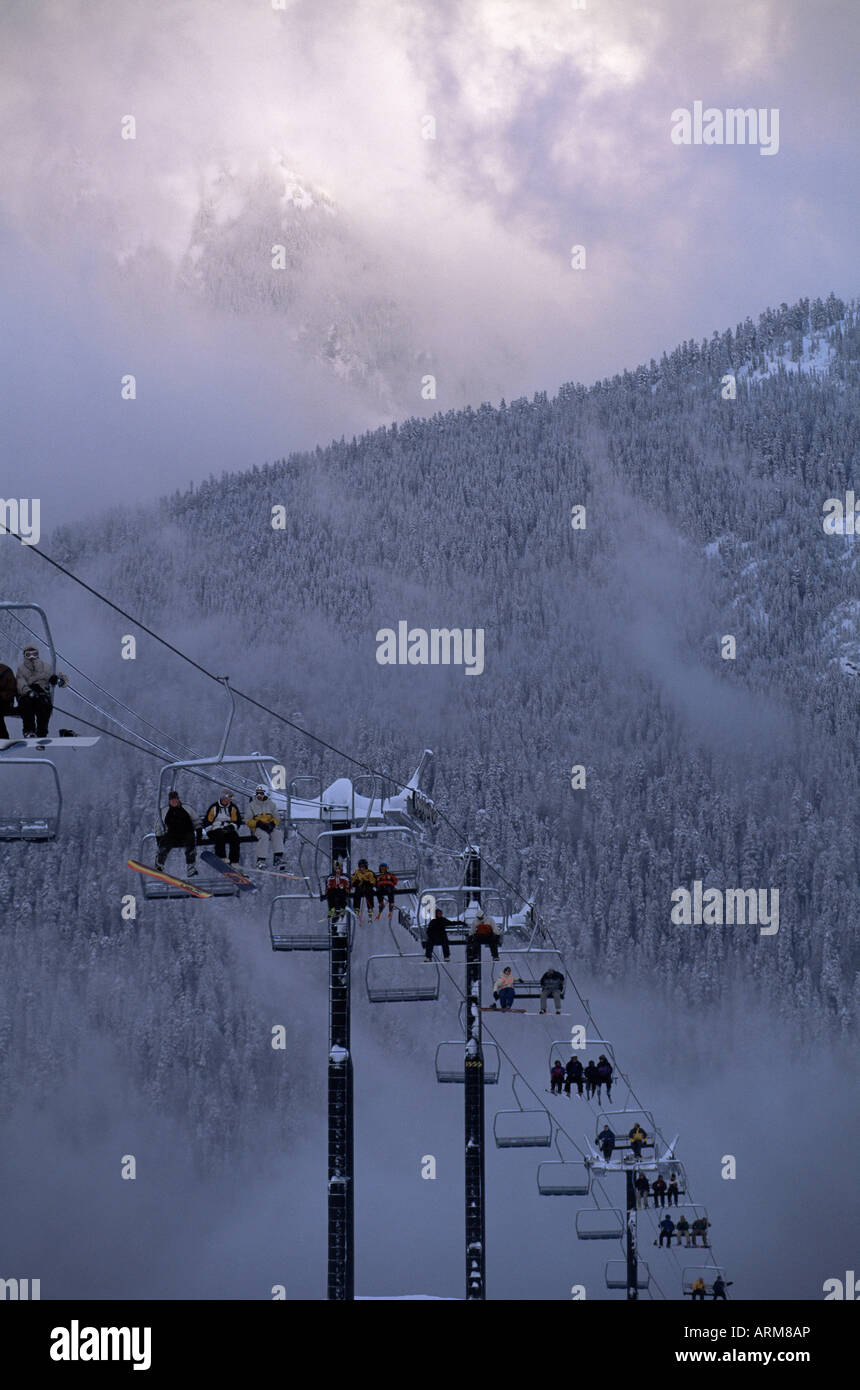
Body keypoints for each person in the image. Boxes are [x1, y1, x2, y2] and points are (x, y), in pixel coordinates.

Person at [16, 644, 67, 739]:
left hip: (41, 694)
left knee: (44, 706)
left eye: (34, 654)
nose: (31, 657)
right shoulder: (21, 669)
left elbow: (63, 680)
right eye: (28, 655)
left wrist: (58, 680)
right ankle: (29, 731)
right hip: (27, 695)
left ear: (38, 655)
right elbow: (20, 683)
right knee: (26, 705)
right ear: (24, 656)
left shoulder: (47, 668)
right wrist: (28, 691)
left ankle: (41, 733)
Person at [156, 790, 200, 875]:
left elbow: (196, 820)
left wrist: (199, 831)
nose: (174, 801)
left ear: (178, 799)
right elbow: (158, 825)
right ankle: (159, 864)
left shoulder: (186, 808)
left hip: (187, 832)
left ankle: (190, 866)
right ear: (169, 801)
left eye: (175, 799)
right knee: (164, 844)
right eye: (172, 800)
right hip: (172, 834)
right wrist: (158, 837)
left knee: (190, 843)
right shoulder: (165, 811)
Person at [246, 786, 285, 869]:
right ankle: (261, 859)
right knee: (264, 836)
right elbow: (248, 820)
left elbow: (277, 817)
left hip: (269, 826)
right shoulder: (252, 805)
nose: (259, 796)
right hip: (258, 828)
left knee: (277, 834)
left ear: (266, 794)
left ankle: (278, 857)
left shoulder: (271, 805)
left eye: (262, 793)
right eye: (258, 794)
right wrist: (258, 823)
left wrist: (272, 824)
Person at [202, 788, 243, 863]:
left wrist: (231, 827)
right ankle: (221, 856)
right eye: (228, 798)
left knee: (235, 838)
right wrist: (209, 831)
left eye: (230, 799)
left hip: (227, 829)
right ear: (223, 797)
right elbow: (208, 821)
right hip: (215, 829)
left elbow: (237, 821)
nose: (229, 800)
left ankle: (234, 860)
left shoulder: (232, 808)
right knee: (219, 836)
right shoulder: (215, 807)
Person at [0, 661, 17, 738]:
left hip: (5, 701)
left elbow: (12, 690)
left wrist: (2, 695)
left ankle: (3, 737)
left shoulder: (5, 670)